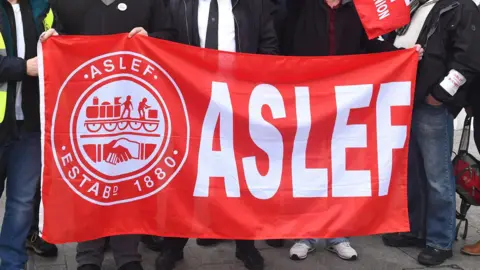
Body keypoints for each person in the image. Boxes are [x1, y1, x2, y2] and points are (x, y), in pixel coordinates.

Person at [273, 0, 424, 262]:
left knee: (338, 167)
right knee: (307, 167)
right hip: (306, 99)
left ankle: (337, 235)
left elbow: (372, 45)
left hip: (345, 102)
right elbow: (281, 42)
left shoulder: (357, 10)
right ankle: (305, 234)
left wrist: (404, 55)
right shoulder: (299, 7)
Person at [41, 0, 177, 269]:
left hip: (134, 106)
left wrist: (151, 38)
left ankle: (127, 256)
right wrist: (53, 39)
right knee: (90, 178)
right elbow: (61, 35)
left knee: (128, 180)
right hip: (87, 109)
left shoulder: (149, 2)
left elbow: (170, 35)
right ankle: (88, 255)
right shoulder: (71, 4)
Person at [156, 0, 277, 269]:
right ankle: (174, 245)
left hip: (239, 101)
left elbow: (268, 45)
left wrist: (253, 85)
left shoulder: (253, 5)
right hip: (191, 100)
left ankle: (245, 245)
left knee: (239, 175)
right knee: (186, 175)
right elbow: (164, 38)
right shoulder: (177, 3)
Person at [382, 0, 480, 266]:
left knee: (438, 177)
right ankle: (415, 230)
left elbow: (468, 61)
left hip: (430, 105)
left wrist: (440, 95)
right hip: (407, 99)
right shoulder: (416, 5)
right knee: (413, 171)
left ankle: (440, 240)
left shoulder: (462, 7)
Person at [0, 0, 54, 268]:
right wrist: (23, 68)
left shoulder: (43, 7)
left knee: (22, 203)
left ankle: (12, 263)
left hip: (32, 124)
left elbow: (66, 39)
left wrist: (58, 37)